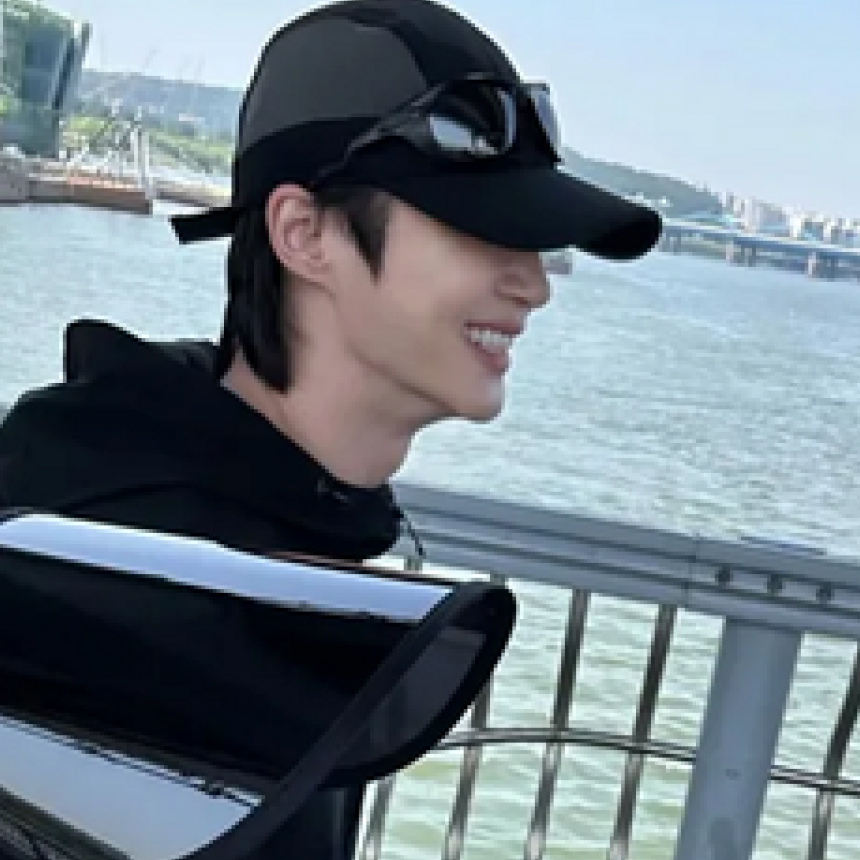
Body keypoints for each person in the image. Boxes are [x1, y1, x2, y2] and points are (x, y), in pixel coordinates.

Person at [0, 0, 661, 857]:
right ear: (304, 234)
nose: (532, 285)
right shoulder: (112, 566)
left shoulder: (261, 516)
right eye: (481, 228)